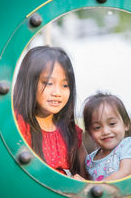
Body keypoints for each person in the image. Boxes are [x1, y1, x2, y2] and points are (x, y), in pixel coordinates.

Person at [13, 46, 87, 178]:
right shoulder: (18, 126)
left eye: (65, 85)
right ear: (29, 83)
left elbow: (87, 176)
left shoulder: (72, 133)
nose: (57, 93)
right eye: (48, 83)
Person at [74, 92, 131, 181]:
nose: (105, 131)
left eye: (112, 124)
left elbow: (125, 173)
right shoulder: (89, 161)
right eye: (97, 127)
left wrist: (90, 185)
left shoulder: (129, 145)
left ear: (126, 124)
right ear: (90, 133)